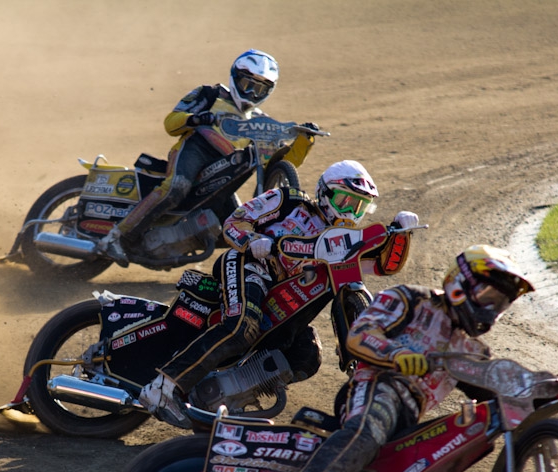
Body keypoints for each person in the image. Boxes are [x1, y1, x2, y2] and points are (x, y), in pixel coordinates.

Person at [265, 244, 535, 472]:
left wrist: (539, 389)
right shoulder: (411, 299)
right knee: (368, 431)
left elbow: (500, 390)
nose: (491, 309)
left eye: (499, 303)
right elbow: (359, 334)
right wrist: (397, 355)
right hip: (376, 388)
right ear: (460, 282)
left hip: (409, 423)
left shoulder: (471, 351)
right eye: (487, 296)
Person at [138, 159, 421, 428]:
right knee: (241, 327)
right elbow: (234, 223)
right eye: (344, 200)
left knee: (306, 354)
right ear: (324, 192)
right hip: (248, 264)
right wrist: (255, 241)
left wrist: (401, 234)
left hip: (280, 298)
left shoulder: (344, 242)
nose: (350, 211)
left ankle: (220, 396)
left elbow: (383, 266)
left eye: (360, 207)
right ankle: (163, 388)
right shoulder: (288, 200)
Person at [96, 49, 285, 266]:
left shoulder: (260, 121)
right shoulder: (210, 94)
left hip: (225, 171)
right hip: (196, 148)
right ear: (235, 77)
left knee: (235, 226)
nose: (251, 93)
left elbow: (278, 163)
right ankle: (116, 237)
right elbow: (171, 122)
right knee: (177, 187)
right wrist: (196, 118)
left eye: (259, 88)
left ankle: (174, 247)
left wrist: (303, 141)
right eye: (247, 84)